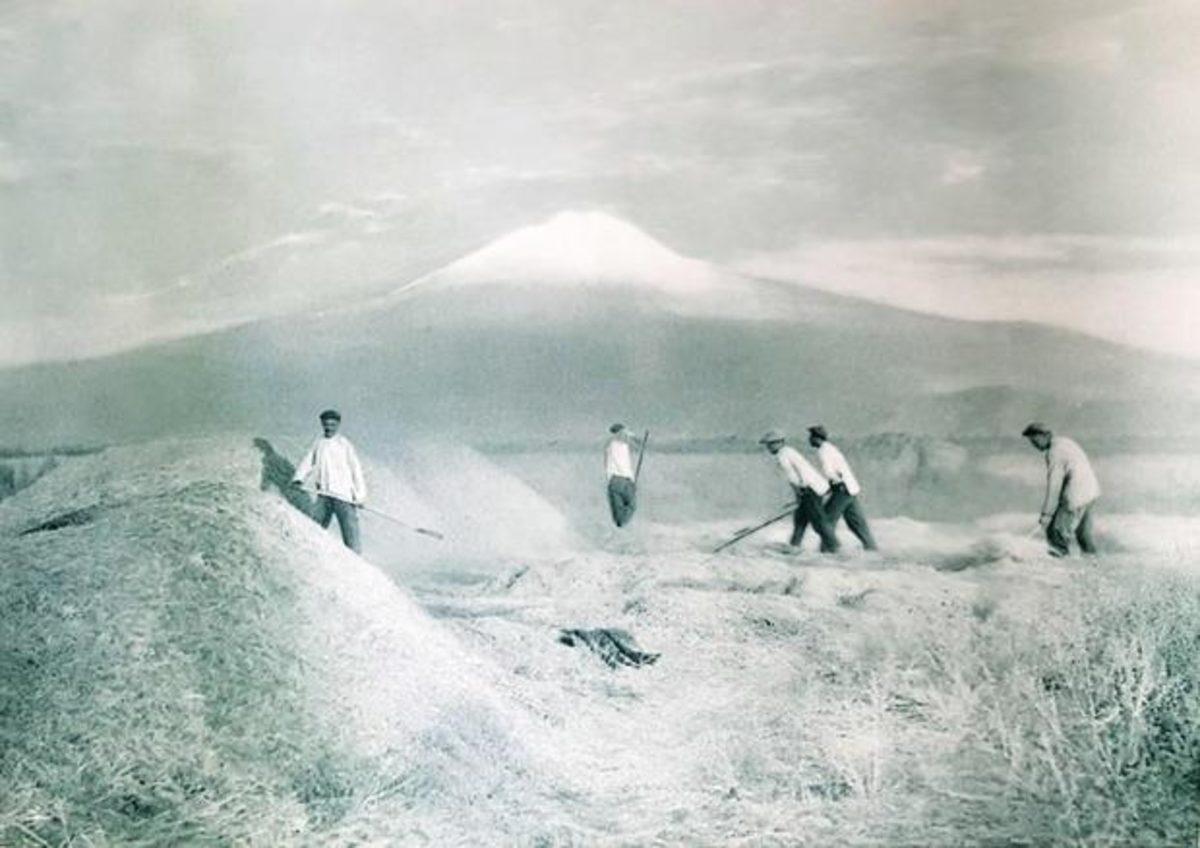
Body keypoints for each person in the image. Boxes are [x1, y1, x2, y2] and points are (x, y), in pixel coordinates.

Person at [292, 409, 367, 553]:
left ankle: (355, 562)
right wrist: (298, 479)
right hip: (324, 494)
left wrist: (360, 496)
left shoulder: (344, 444)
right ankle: (311, 554)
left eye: (332, 425)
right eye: (326, 424)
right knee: (314, 527)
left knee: (350, 532)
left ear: (338, 425)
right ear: (322, 424)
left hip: (343, 496)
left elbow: (355, 470)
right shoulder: (319, 444)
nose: (329, 428)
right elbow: (308, 461)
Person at [1022, 422, 1100, 557]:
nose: (1034, 445)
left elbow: (1054, 485)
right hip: (1091, 491)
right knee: (1084, 536)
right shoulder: (1065, 442)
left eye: (1035, 441)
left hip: (1075, 495)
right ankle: (1095, 567)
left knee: (1055, 535)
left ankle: (1059, 573)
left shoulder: (1054, 453)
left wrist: (1046, 514)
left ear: (1045, 435)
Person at [759, 430, 839, 553]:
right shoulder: (789, 451)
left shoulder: (782, 455)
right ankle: (794, 546)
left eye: (771, 444)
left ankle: (835, 548)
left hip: (809, 490)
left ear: (779, 443)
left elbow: (793, 478)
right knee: (800, 520)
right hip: (814, 487)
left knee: (818, 522)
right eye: (768, 445)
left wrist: (798, 495)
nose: (769, 448)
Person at [809, 425, 878, 551]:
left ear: (817, 438)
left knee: (825, 522)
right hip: (850, 488)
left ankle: (827, 552)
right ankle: (872, 549)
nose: (809, 440)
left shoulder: (823, 451)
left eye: (811, 437)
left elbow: (829, 472)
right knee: (856, 523)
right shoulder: (831, 448)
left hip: (842, 489)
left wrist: (831, 485)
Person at [604, 423, 641, 527]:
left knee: (618, 509)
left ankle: (620, 522)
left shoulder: (609, 445)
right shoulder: (622, 445)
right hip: (625, 481)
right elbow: (636, 441)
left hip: (614, 481)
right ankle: (622, 521)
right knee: (631, 506)